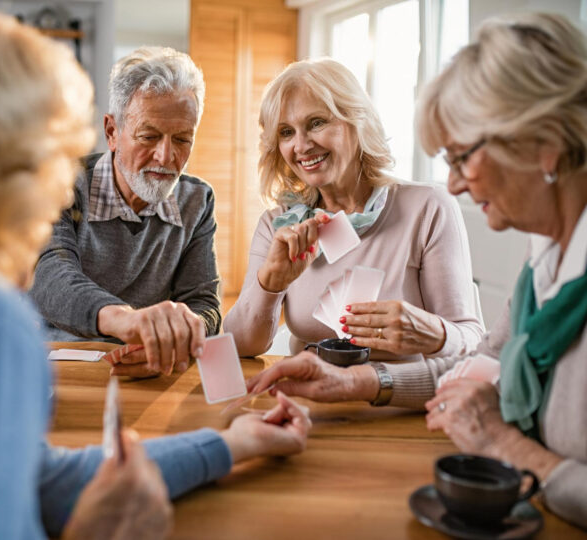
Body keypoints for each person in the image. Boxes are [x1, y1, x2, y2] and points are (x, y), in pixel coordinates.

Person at [0, 4, 311, 538]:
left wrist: (231, 443)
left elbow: (33, 478)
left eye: (183, 139)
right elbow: (49, 273)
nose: (56, 184)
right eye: (47, 155)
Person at [247, 12, 587, 529]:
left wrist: (508, 444)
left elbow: (474, 360)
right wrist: (356, 384)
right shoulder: (543, 257)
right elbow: (483, 366)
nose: (452, 185)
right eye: (287, 133)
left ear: (543, 143)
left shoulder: (426, 208)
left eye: (463, 156)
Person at [223, 58, 484, 361]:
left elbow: (471, 341)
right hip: (306, 399)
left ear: (357, 121)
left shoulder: (427, 208)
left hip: (400, 401)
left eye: (316, 123)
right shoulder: (278, 225)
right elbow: (238, 347)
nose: (301, 145)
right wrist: (270, 283)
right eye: (285, 132)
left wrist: (432, 331)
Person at [30, 46, 220, 377]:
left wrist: (175, 338)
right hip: (56, 363)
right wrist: (128, 320)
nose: (165, 156)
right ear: (112, 132)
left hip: (145, 369)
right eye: (149, 136)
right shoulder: (63, 182)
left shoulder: (197, 200)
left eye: (182, 139)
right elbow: (50, 276)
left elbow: (204, 306)